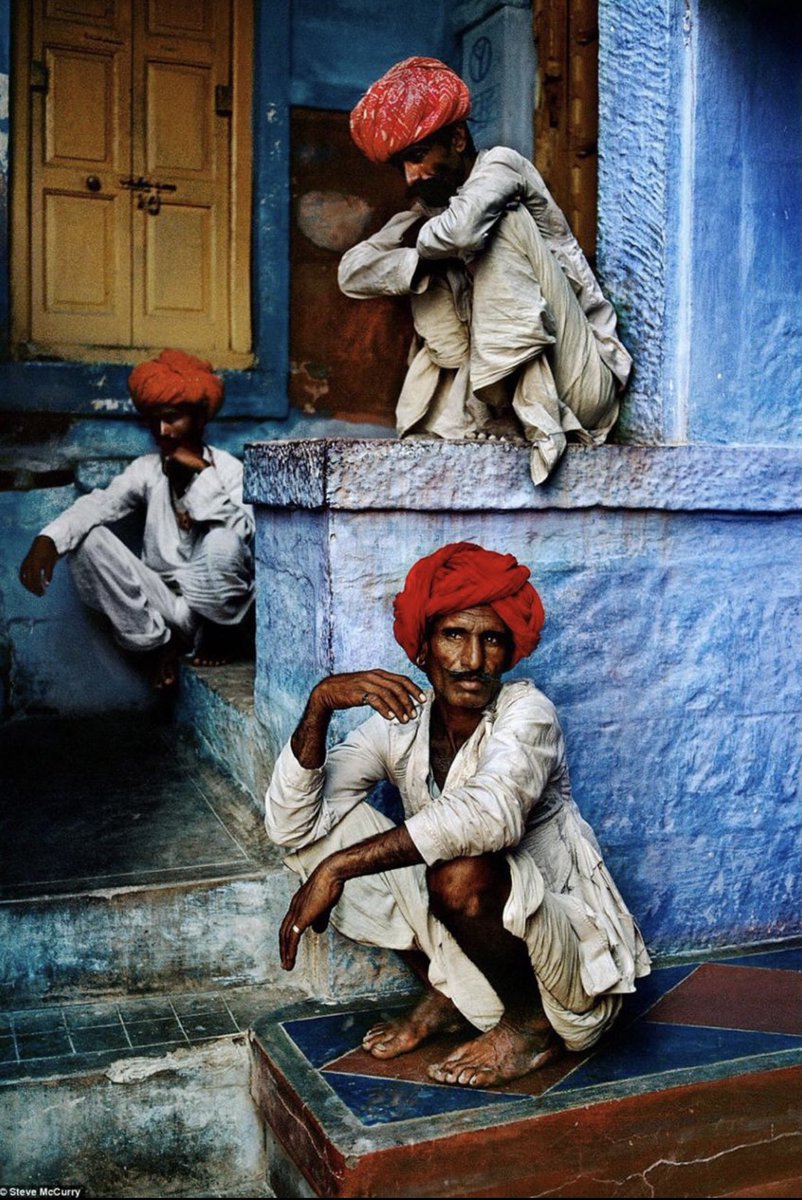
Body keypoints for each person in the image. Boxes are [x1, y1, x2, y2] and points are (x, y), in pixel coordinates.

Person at [266, 542, 650, 1088]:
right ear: (423, 651)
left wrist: (339, 870)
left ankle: (527, 1028)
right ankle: (450, 995)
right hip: (475, 941)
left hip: (569, 967)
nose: (472, 661)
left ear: (509, 651)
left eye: (490, 639)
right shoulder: (403, 723)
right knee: (320, 839)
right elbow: (291, 825)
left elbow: (490, 817)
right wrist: (320, 704)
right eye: (453, 636)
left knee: (459, 870)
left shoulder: (527, 712)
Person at [338, 57, 632, 486]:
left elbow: (460, 232)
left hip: (578, 388)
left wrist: (424, 244)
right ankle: (493, 407)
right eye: (400, 164)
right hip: (487, 404)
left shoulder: (501, 166)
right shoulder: (426, 211)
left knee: (494, 227)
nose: (411, 176)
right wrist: (418, 260)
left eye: (417, 156)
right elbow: (352, 272)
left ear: (457, 138)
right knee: (423, 267)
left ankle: (532, 417)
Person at [18, 349, 254, 689]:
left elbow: (247, 535)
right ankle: (160, 645)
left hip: (215, 614)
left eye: (173, 418)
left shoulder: (229, 470)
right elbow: (100, 504)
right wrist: (49, 540)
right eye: (156, 420)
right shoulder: (147, 470)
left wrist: (199, 478)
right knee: (88, 541)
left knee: (224, 541)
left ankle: (217, 636)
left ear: (200, 419)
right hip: (163, 603)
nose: (163, 431)